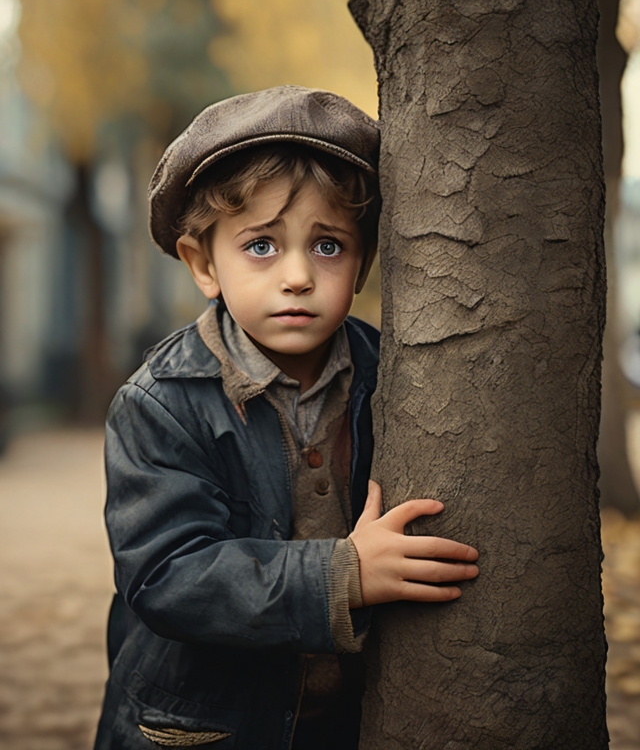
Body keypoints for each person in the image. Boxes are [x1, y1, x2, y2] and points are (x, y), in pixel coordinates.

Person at [94, 86, 479, 750]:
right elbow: (168, 576)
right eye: (262, 246)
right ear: (203, 263)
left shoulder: (396, 376)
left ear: (361, 263)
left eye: (328, 246)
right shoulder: (160, 402)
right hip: (202, 727)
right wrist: (344, 574)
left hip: (343, 724)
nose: (298, 275)